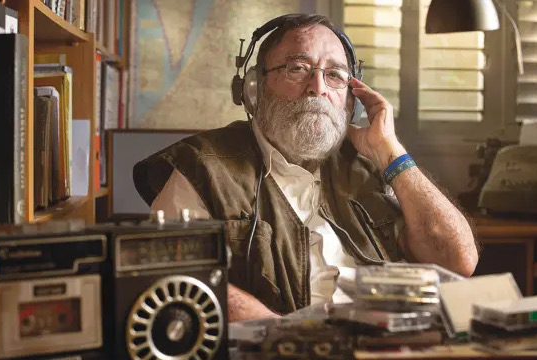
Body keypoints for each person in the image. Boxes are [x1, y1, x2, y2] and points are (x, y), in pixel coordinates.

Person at [150, 14, 478, 322]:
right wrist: (291, 340)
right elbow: (175, 273)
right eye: (297, 69)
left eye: (334, 75)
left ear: (350, 99)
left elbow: (457, 261)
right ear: (254, 88)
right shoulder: (202, 167)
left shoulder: (375, 168)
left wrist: (392, 154)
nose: (317, 87)